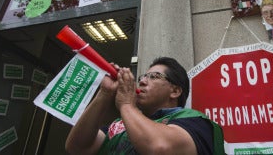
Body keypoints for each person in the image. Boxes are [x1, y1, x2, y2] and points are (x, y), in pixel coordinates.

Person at [65, 57, 225, 155]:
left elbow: (160, 147)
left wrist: (127, 104)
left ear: (175, 91)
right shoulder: (119, 125)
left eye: (154, 76)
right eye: (143, 76)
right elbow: (77, 148)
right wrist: (105, 93)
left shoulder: (195, 122)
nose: (141, 81)